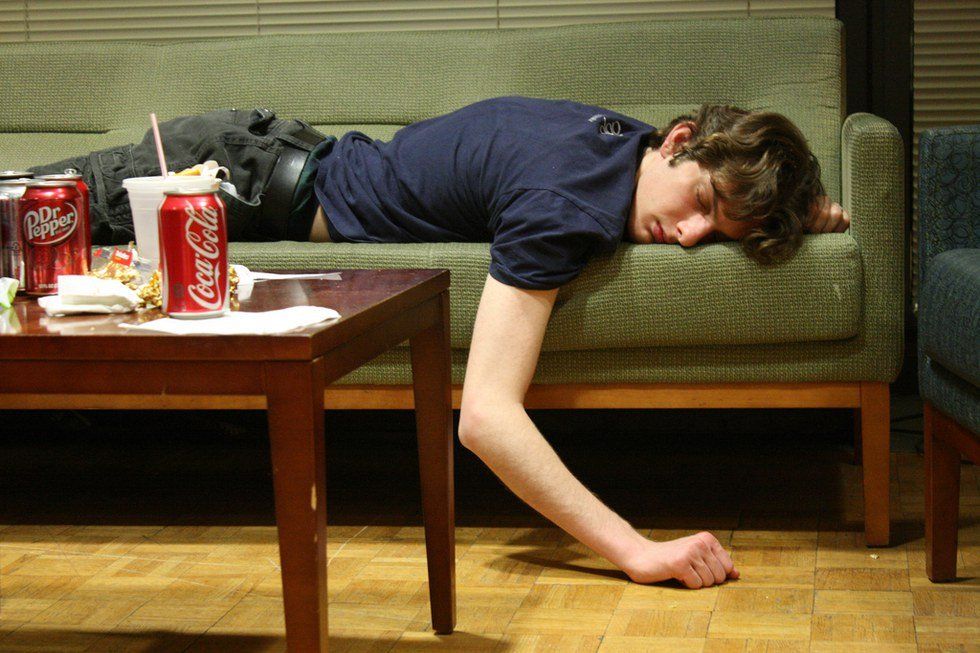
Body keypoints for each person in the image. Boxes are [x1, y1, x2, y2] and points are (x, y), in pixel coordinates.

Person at [30, 97, 849, 589]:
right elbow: (486, 418)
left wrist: (796, 211)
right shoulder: (564, 203)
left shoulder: (620, 140)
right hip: (233, 178)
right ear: (677, 141)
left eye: (719, 232)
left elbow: (721, 175)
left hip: (269, 152)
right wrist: (636, 550)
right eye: (702, 202)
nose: (692, 235)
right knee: (20, 224)